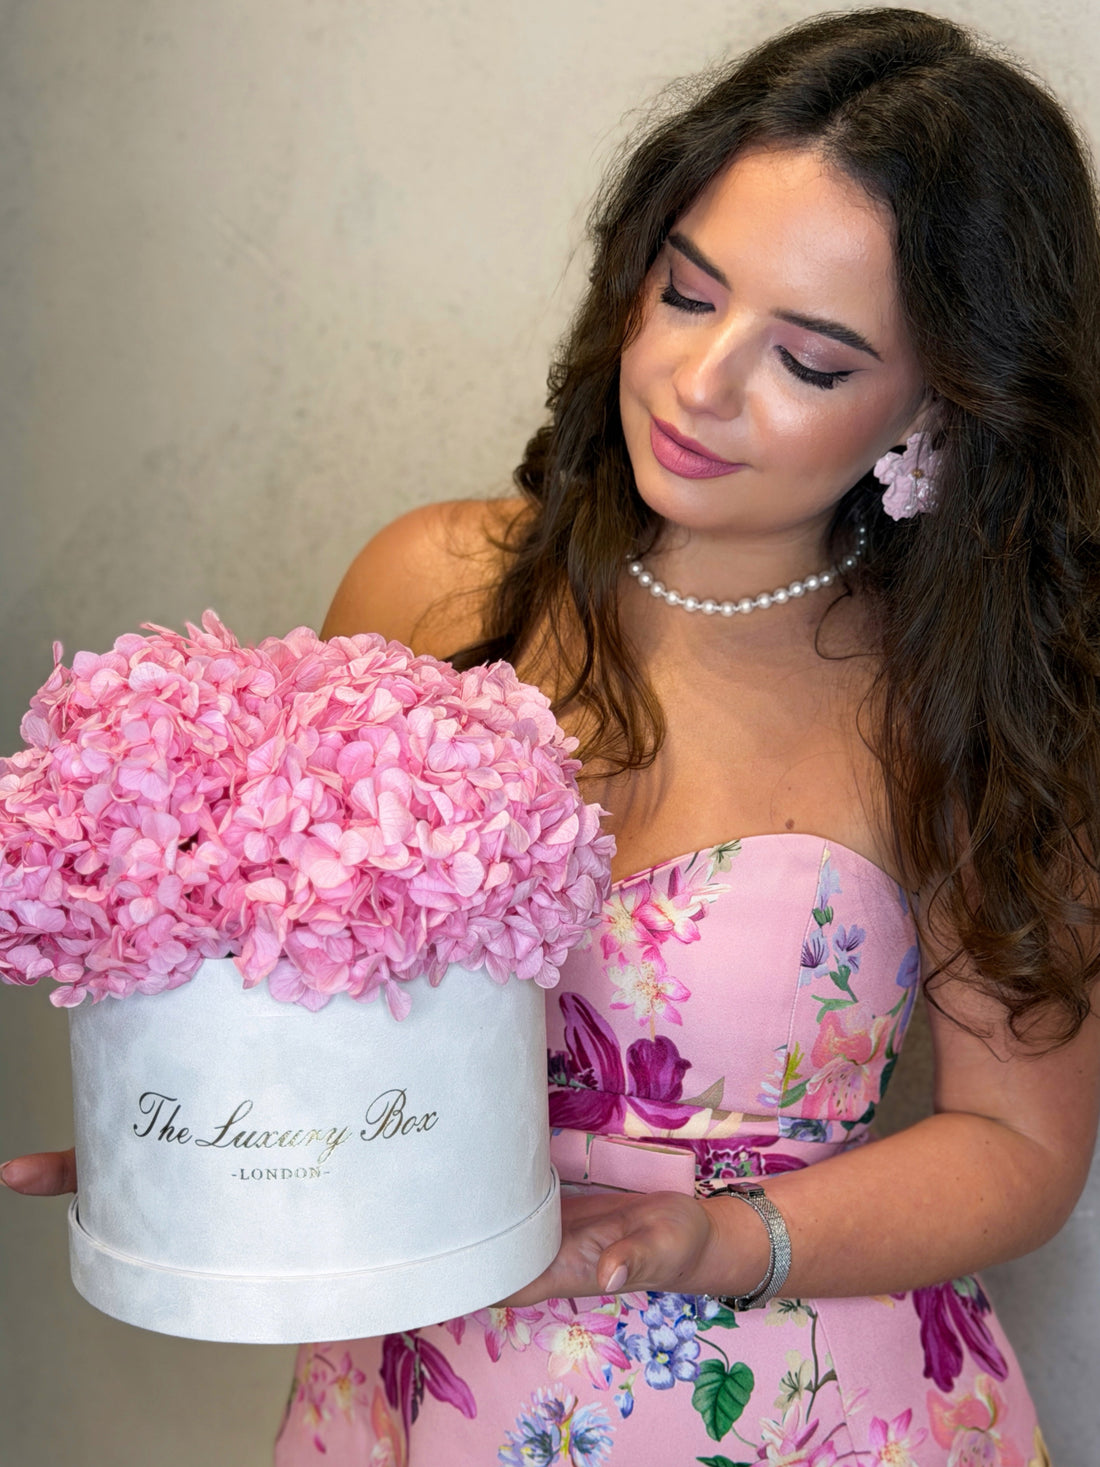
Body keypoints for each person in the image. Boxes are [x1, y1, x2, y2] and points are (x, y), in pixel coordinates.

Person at [5, 8, 1100, 1462]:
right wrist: (210, 1149)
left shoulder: (963, 689)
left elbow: (1021, 1150)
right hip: (419, 1397)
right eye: (689, 293)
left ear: (940, 405)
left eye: (813, 362)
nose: (699, 385)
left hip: (800, 1409)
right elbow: (290, 978)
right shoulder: (432, 588)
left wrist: (696, 1243)